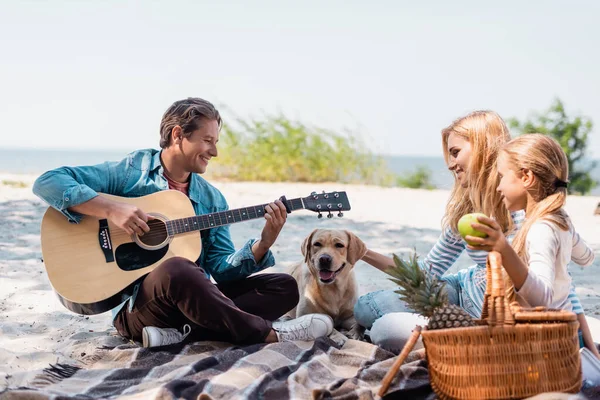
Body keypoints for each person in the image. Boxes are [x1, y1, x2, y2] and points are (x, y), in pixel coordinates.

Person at [33, 97, 333, 348]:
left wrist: (264, 243)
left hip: (188, 306)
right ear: (178, 135)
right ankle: (267, 333)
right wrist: (112, 210)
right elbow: (49, 181)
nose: (214, 152)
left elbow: (223, 272)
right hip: (142, 310)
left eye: (215, 142)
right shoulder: (132, 172)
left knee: (283, 286)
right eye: (207, 140)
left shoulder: (211, 199)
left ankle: (182, 334)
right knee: (178, 268)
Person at [354, 111, 598, 357]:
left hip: (492, 314)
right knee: (366, 307)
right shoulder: (465, 208)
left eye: (455, 152)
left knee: (385, 328)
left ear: (482, 148)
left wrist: (584, 340)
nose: (450, 164)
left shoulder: (528, 208)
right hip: (459, 290)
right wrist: (363, 252)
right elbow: (426, 272)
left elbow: (561, 281)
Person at [466, 134, 596, 352]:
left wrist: (504, 249)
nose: (498, 187)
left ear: (526, 177)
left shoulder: (541, 229)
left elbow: (542, 299)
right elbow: (587, 258)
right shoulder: (559, 220)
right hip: (567, 336)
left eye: (502, 177)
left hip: (546, 345)